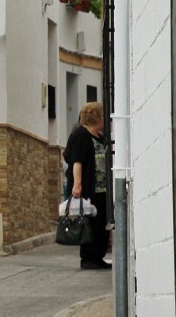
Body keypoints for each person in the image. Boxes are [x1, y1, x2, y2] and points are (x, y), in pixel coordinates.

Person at [64, 102, 110, 270]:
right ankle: (88, 258)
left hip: (102, 188)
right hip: (89, 187)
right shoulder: (81, 135)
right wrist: (77, 185)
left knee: (101, 223)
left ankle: (98, 256)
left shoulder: (98, 135)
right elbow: (77, 161)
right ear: (96, 116)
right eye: (103, 115)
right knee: (89, 222)